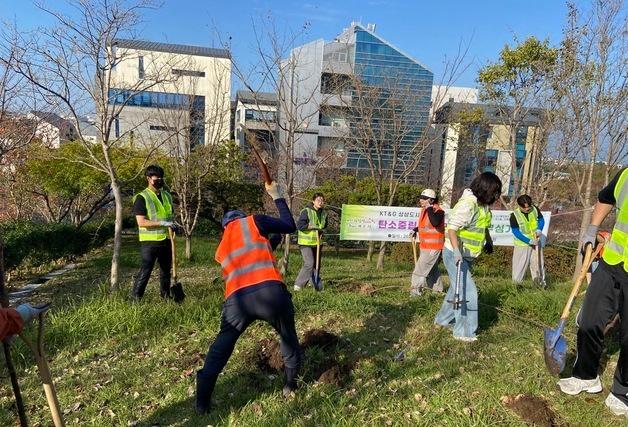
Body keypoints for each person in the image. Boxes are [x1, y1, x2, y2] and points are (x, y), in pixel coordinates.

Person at [196, 181, 300, 414]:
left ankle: (202, 402)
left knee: (220, 349)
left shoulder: (222, 248)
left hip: (237, 302)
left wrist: (274, 239)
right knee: (287, 337)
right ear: (241, 218)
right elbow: (288, 225)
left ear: (225, 227)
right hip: (271, 294)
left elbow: (262, 246)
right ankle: (290, 386)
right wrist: (277, 196)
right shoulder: (253, 221)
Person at [557, 167, 628, 416]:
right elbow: (605, 198)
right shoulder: (626, 175)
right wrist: (592, 229)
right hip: (612, 263)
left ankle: (623, 390)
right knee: (588, 320)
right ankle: (586, 376)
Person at [434, 172, 502, 342]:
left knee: (456, 289)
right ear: (484, 189)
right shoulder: (468, 205)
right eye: (494, 192)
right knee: (467, 291)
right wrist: (456, 251)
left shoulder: (482, 206)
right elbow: (452, 229)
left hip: (468, 255)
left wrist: (488, 241)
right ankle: (464, 332)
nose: (496, 196)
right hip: (454, 254)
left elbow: (483, 226)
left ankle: (442, 320)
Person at [131, 165, 177, 300]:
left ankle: (165, 296)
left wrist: (173, 225)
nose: (160, 180)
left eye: (162, 177)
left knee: (165, 271)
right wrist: (162, 223)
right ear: (148, 178)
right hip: (150, 241)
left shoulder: (167, 195)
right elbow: (141, 222)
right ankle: (135, 299)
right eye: (157, 177)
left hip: (166, 239)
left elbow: (169, 216)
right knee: (146, 271)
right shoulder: (141, 197)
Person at [410, 188, 445, 296]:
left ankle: (415, 293)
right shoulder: (424, 210)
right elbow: (425, 226)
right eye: (421, 197)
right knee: (432, 270)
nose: (421, 200)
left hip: (433, 247)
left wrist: (429, 208)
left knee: (419, 271)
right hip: (425, 246)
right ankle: (438, 291)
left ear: (431, 200)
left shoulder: (438, 211)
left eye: (424, 198)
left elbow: (435, 222)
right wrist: (416, 229)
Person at [294, 193, 327, 291]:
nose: (320, 202)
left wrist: (322, 231)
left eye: (322, 200)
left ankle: (313, 283)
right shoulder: (306, 211)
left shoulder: (324, 213)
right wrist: (312, 227)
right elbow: (300, 226)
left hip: (317, 242)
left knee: (317, 265)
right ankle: (298, 285)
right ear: (313, 201)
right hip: (305, 243)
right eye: (318, 200)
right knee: (309, 263)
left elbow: (324, 226)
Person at [510, 195, 545, 284]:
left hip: (536, 241)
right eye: (525, 208)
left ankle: (540, 285)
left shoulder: (535, 209)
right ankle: (516, 286)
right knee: (519, 267)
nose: (527, 209)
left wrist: (539, 229)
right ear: (519, 206)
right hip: (522, 244)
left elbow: (541, 220)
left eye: (529, 207)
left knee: (538, 264)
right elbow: (516, 232)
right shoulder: (514, 215)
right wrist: (529, 241)